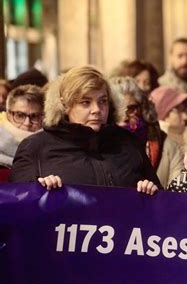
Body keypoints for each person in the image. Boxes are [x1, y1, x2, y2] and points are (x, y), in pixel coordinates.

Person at [9, 66, 161, 194]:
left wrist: (150, 193)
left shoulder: (129, 143)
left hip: (125, 229)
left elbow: (161, 205)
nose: (96, 109)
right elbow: (19, 209)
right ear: (65, 105)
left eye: (102, 101)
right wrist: (39, 191)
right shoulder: (35, 148)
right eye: (85, 102)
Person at [109, 76, 163, 171]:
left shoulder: (165, 143)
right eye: (118, 109)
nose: (125, 116)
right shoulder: (100, 146)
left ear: (141, 108)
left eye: (131, 108)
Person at [149, 86, 187, 186]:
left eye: (185, 110)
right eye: (179, 111)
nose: (185, 116)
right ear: (163, 113)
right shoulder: (158, 145)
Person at [0, 85, 44, 182]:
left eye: (34, 116)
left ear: (42, 117)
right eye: (20, 115)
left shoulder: (52, 147)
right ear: (8, 114)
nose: (27, 123)